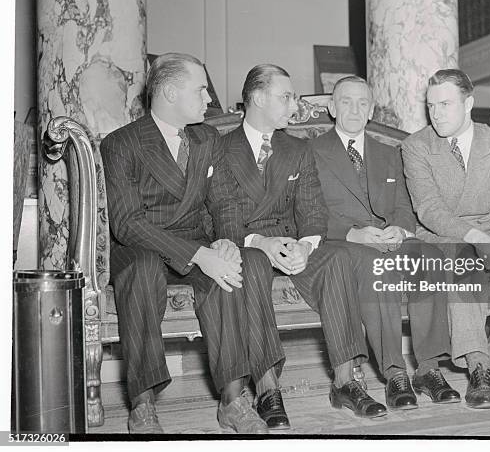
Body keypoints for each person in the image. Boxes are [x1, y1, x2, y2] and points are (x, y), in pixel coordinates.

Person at [100, 53, 281, 434]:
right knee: (145, 270)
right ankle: (143, 404)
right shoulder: (122, 143)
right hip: (142, 247)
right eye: (200, 89)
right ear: (168, 92)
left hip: (196, 242)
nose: (208, 98)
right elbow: (128, 224)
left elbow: (226, 202)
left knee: (232, 268)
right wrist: (200, 255)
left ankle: (232, 400)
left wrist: (228, 244)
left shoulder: (207, 137)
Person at [208, 64, 387, 427]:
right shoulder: (220, 149)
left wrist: (306, 245)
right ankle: (267, 386)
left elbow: (312, 209)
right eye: (286, 96)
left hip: (292, 244)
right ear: (258, 98)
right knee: (255, 264)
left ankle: (345, 381)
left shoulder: (298, 149)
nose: (295, 103)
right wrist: (261, 242)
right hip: (248, 244)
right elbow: (222, 216)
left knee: (336, 257)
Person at [311, 76, 460, 409]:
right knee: (378, 268)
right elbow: (306, 210)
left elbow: (405, 205)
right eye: (346, 101)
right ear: (332, 108)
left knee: (429, 256)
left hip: (389, 237)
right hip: (344, 242)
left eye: (362, 103)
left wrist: (400, 229)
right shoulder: (313, 152)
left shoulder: (388, 152)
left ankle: (428, 368)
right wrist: (353, 234)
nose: (354, 109)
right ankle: (395, 373)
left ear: (371, 111)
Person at [402, 69, 490, 409]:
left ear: (469, 103)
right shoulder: (416, 146)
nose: (435, 113)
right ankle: (479, 366)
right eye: (430, 105)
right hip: (445, 234)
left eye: (445, 104)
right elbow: (429, 210)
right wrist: (479, 238)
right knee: (463, 255)